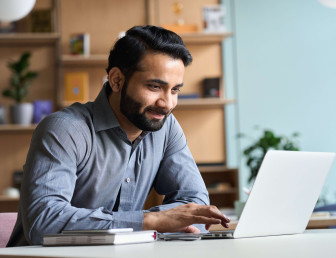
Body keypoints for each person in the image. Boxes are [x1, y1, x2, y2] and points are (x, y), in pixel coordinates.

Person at [7, 25, 230, 246]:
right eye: (154, 86)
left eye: (175, 90)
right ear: (116, 80)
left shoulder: (166, 127)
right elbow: (44, 222)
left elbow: (195, 202)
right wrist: (151, 221)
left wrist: (163, 221)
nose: (167, 104)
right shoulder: (64, 129)